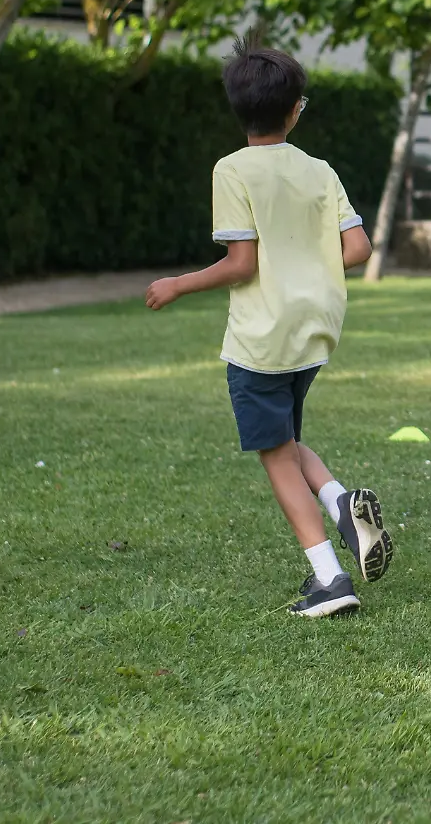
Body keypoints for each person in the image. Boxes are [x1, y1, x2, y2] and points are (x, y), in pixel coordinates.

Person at [145, 44, 393, 617]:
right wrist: (308, 257)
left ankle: (331, 579)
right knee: (285, 438)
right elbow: (357, 247)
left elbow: (241, 263)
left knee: (275, 455)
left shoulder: (231, 169)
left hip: (263, 335)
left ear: (239, 109)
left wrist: (177, 284)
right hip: (316, 329)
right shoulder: (320, 170)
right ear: (294, 111)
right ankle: (340, 499)